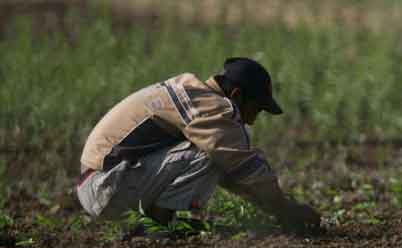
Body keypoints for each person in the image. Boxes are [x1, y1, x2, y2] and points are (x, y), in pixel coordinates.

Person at [76, 57, 321, 233]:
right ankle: (158, 227)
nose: (253, 119)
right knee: (209, 155)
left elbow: (234, 174)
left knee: (214, 155)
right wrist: (286, 209)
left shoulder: (194, 96)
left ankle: (157, 223)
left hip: (103, 182)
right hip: (106, 185)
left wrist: (277, 209)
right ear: (236, 95)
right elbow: (243, 167)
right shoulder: (212, 106)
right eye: (256, 108)